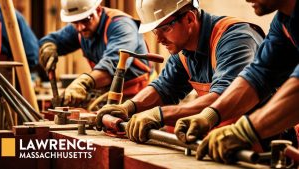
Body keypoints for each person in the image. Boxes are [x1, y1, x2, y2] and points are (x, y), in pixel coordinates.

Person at [96, 0, 265, 143]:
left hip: (265, 141)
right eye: (155, 31)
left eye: (165, 29)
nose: (159, 39)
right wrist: (129, 107)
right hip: (225, 140)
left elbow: (225, 98)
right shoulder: (184, 51)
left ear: (190, 18)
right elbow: (163, 88)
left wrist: (159, 115)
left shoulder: (236, 39)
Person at [174, 0, 299, 164]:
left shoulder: (236, 36)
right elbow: (259, 75)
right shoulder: (284, 22)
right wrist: (209, 116)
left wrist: (244, 132)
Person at [39, 0, 153, 106]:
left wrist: (83, 83)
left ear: (98, 10)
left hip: (140, 96)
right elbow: (51, 40)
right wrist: (48, 47)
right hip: (110, 95)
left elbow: (113, 68)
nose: (80, 27)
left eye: (86, 19)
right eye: (74, 22)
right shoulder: (80, 26)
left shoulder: (122, 26)